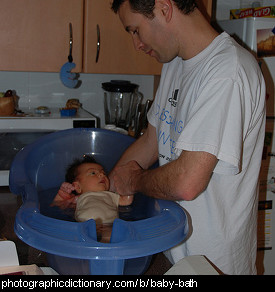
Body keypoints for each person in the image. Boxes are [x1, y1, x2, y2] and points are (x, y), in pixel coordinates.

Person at [109, 0, 266, 274]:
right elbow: (151, 141)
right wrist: (102, 193)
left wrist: (132, 180)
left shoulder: (227, 72)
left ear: (164, 8)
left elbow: (187, 183)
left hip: (213, 265)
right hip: (176, 253)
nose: (137, 44)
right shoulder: (175, 63)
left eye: (135, 30)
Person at [51, 155, 133, 242]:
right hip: (83, 228)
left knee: (113, 237)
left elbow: (126, 201)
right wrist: (62, 195)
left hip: (109, 227)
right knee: (72, 238)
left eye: (104, 173)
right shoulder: (78, 198)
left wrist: (129, 186)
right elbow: (57, 205)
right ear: (78, 187)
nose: (101, 174)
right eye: (93, 173)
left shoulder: (111, 195)